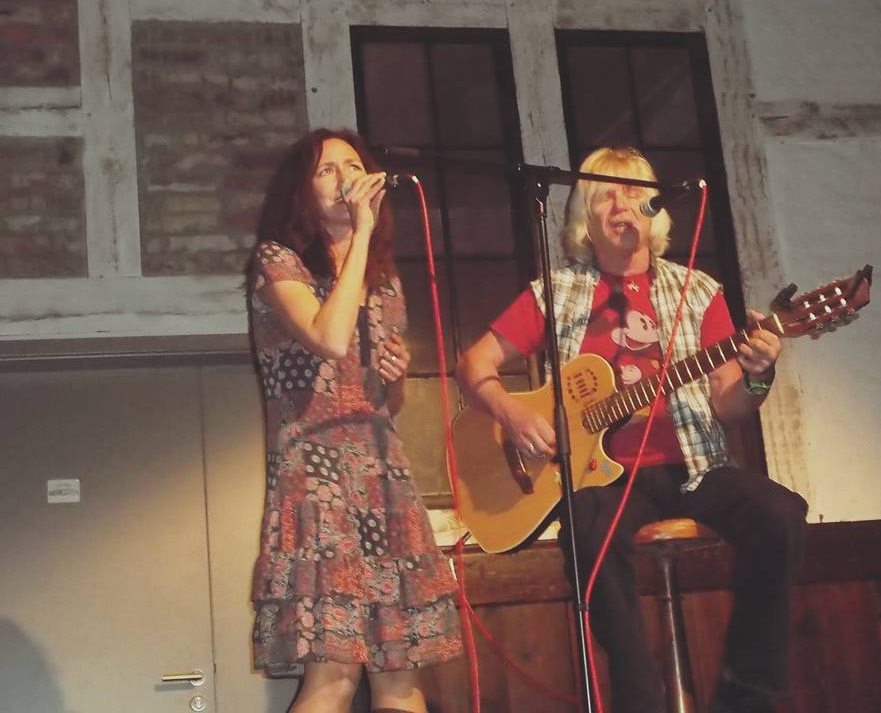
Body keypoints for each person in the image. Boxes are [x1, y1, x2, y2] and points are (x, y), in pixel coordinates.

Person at [455, 147, 807, 713]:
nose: (622, 204)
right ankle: (639, 698)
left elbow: (729, 403)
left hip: (692, 467)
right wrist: (511, 413)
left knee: (780, 514)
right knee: (588, 526)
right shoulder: (557, 292)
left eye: (634, 192)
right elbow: (474, 363)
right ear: (584, 217)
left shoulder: (698, 291)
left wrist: (759, 376)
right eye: (605, 194)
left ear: (654, 209)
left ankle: (748, 695)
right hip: (601, 478)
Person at [247, 129, 462, 713]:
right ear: (302, 191)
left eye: (353, 165)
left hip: (383, 477)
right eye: (327, 169)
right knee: (334, 675)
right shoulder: (279, 262)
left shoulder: (384, 282)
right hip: (316, 474)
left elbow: (384, 406)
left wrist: (395, 376)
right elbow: (328, 336)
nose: (345, 177)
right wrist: (361, 232)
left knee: (400, 677)